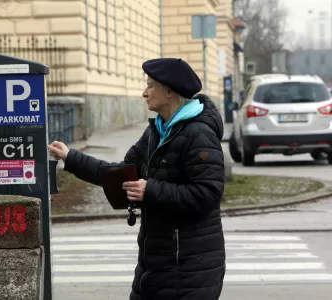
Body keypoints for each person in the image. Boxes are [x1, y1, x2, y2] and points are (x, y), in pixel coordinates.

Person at [48, 58, 226, 300]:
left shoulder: (199, 134)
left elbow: (207, 194)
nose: (144, 93)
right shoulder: (157, 131)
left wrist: (150, 190)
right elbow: (122, 174)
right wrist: (71, 158)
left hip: (189, 271)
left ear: (169, 91)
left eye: (150, 86)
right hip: (154, 266)